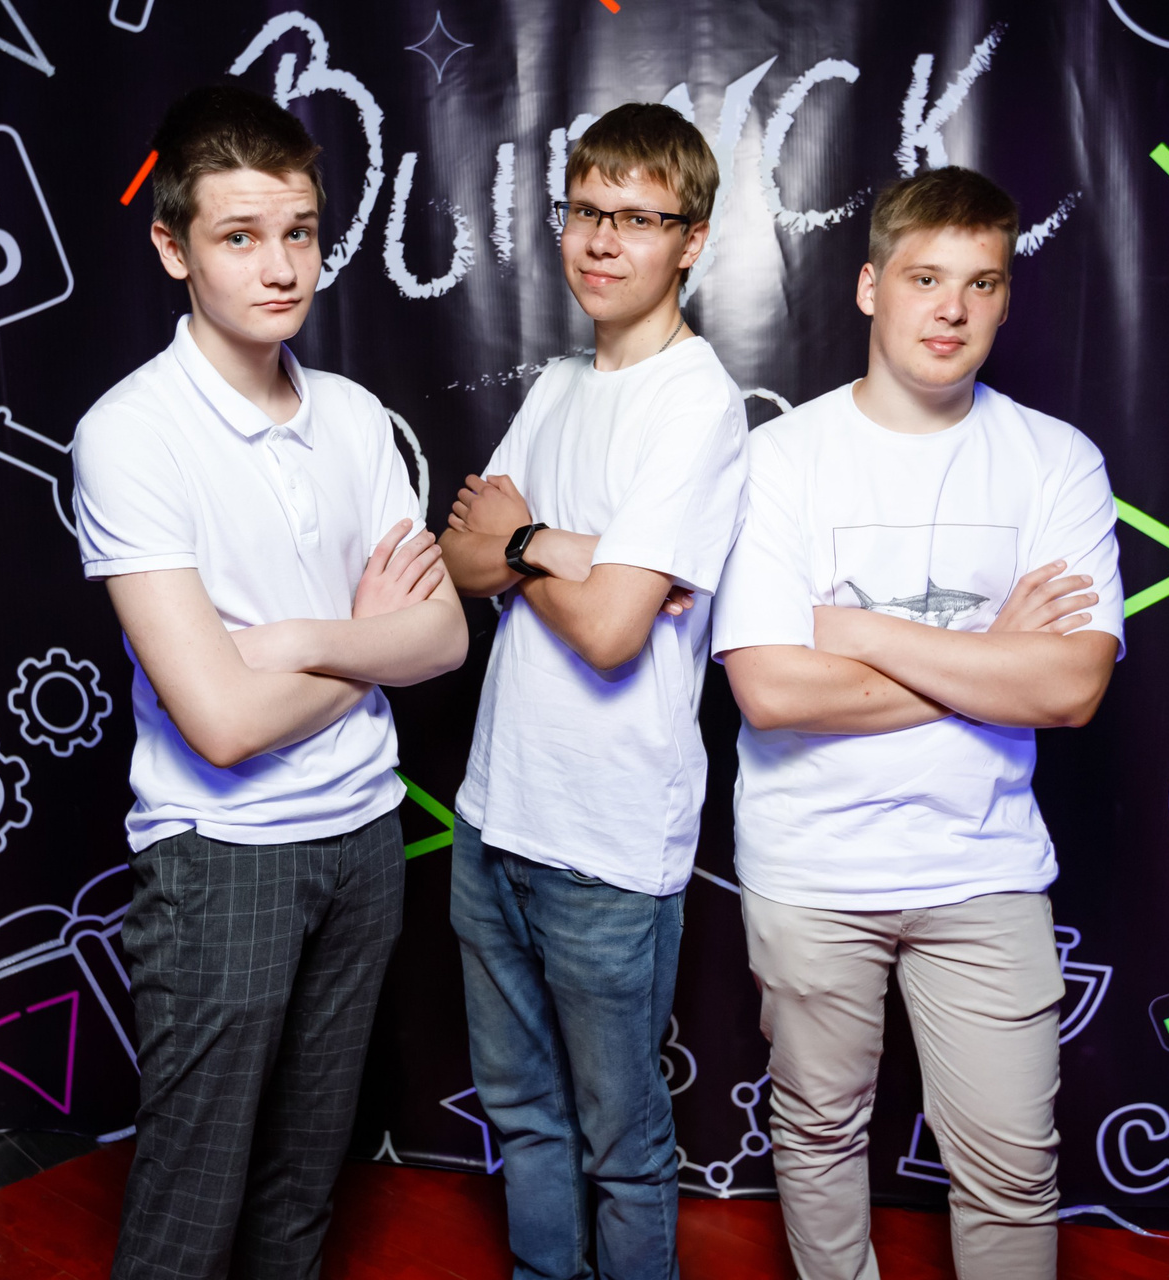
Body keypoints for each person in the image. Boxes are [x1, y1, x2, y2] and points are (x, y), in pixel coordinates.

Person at [71, 85, 467, 1280]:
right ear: (173, 247)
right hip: (223, 852)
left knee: (304, 1182)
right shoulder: (131, 433)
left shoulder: (352, 415)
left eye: (299, 231)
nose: (282, 265)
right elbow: (224, 724)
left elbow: (442, 640)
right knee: (192, 1203)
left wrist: (291, 638)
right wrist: (362, 640)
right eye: (240, 236)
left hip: (364, 835)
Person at [711, 165, 1124, 1280]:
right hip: (811, 868)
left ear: (1005, 297)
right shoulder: (778, 459)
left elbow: (1071, 688)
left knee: (1013, 1170)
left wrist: (852, 629)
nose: (952, 308)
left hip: (984, 870)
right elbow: (773, 690)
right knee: (819, 1132)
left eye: (981, 283)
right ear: (869, 287)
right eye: (925, 278)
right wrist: (992, 653)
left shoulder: (1056, 460)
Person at [437, 102, 749, 1280]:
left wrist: (527, 540)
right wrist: (565, 549)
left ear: (692, 239)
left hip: (609, 845)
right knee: (523, 1116)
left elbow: (617, 633)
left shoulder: (697, 402)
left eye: (638, 217)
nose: (603, 238)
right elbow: (460, 553)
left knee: (621, 1143)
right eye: (585, 210)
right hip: (494, 816)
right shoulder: (561, 383)